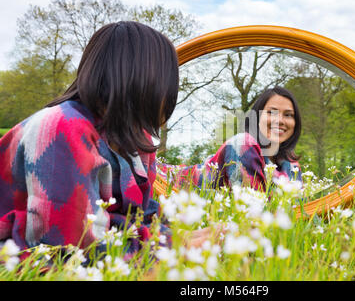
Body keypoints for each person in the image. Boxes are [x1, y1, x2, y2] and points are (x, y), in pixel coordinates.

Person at [0, 21, 212, 256]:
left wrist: (176, 237)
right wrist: (169, 248)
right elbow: (67, 246)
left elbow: (144, 214)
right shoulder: (62, 128)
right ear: (146, 80)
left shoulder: (135, 142)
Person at [159, 86, 302, 193]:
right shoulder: (244, 144)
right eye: (272, 112)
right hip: (164, 181)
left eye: (288, 115)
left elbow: (296, 211)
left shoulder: (291, 166)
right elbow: (249, 205)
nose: (280, 120)